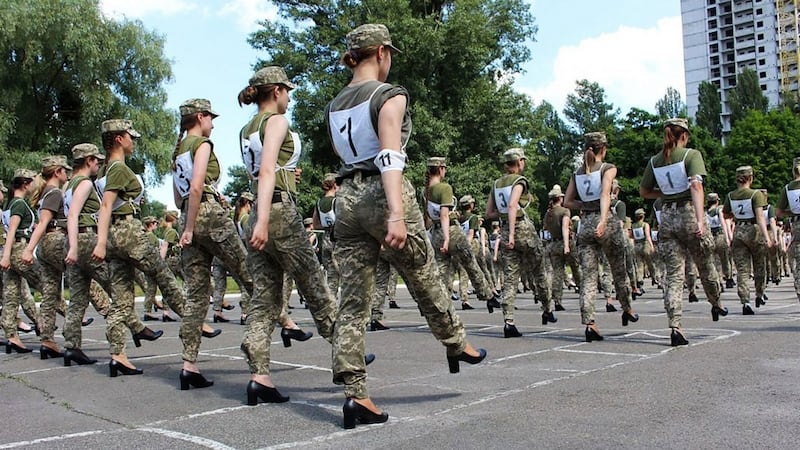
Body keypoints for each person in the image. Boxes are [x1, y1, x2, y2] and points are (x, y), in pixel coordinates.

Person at [325, 23, 486, 429]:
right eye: (390, 53)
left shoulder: (336, 103)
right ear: (380, 52)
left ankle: (356, 394)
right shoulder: (388, 95)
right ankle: (456, 342)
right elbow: (389, 156)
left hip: (346, 198)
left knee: (352, 299)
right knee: (423, 271)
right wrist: (396, 211)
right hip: (381, 193)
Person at [237, 65, 337, 406]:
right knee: (314, 283)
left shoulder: (246, 128)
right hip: (276, 211)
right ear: (276, 90)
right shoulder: (276, 122)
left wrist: (257, 220)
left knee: (264, 298)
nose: (290, 97)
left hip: (259, 213)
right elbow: (267, 170)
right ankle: (345, 352)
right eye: (287, 91)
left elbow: (266, 169)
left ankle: (259, 375)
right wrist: (264, 220)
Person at [92, 119, 202, 377]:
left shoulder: (103, 171)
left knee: (121, 300)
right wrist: (99, 242)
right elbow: (106, 206)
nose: (134, 141)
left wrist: (104, 241)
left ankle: (118, 355)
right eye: (130, 136)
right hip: (128, 232)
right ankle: (192, 319)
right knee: (163, 275)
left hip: (115, 238)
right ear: (119, 138)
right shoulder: (118, 168)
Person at [171, 98, 252, 390]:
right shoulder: (201, 145)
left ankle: (188, 364)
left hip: (187, 215)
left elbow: (179, 195)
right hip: (205, 215)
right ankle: (277, 333)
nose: (213, 124)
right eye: (210, 118)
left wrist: (186, 225)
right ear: (200, 117)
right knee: (249, 274)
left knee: (196, 294)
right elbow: (195, 186)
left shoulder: (178, 150)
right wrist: (194, 224)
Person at [639, 118, 727, 346]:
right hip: (688, 211)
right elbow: (697, 186)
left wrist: (666, 194)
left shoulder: (655, 161)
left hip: (667, 216)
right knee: (705, 263)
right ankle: (716, 302)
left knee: (674, 275)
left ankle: (675, 325)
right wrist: (700, 219)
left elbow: (644, 190)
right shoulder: (691, 155)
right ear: (684, 136)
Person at [565, 132, 638, 342]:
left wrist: (584, 207)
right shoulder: (607, 168)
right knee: (618, 268)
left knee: (588, 276)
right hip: (603, 221)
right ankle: (627, 308)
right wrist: (604, 219)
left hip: (585, 223)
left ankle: (589, 322)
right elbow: (606, 194)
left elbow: (568, 201)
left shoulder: (577, 173)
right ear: (603, 149)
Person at [486, 147, 554, 337]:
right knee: (539, 270)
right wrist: (514, 233)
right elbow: (512, 205)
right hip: (521, 229)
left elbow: (489, 213)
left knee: (510, 278)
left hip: (505, 229)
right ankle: (547, 309)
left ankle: (508, 321)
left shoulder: (497, 184)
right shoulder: (519, 181)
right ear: (519, 162)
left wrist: (507, 229)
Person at [425, 157, 495, 311]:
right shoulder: (444, 187)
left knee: (443, 272)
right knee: (470, 263)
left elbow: (430, 217)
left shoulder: (427, 191)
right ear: (441, 169)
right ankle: (487, 295)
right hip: (449, 230)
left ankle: (443, 304)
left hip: (436, 233)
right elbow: (444, 215)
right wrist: (447, 238)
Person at [21, 156, 73, 360]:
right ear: (57, 172)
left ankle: (47, 340)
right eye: (65, 170)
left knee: (50, 294)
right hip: (55, 240)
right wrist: (28, 249)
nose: (67, 173)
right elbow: (43, 223)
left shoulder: (45, 193)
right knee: (86, 279)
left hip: (46, 245)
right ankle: (126, 320)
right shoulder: (54, 193)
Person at [1, 168, 42, 353]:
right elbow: (11, 231)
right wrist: (7, 255)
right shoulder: (18, 204)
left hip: (11, 252)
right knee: (47, 285)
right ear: (25, 183)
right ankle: (50, 328)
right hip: (17, 250)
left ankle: (11, 336)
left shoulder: (9, 205)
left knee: (11, 296)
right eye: (32, 181)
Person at [723, 166, 772, 314]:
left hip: (739, 229)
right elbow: (760, 217)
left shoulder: (731, 196)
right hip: (754, 230)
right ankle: (759, 293)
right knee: (759, 265)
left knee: (742, 270)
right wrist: (767, 237)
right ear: (750, 178)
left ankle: (745, 301)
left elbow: (726, 214)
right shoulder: (756, 194)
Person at [543, 184, 577, 312]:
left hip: (553, 244)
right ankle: (583, 292)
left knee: (557, 272)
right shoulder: (564, 211)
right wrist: (567, 245)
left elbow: (546, 227)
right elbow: (564, 227)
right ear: (560, 198)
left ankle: (557, 300)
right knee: (576, 268)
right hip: (564, 242)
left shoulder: (549, 213)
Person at [313, 173, 341, 299]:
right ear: (335, 185)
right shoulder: (336, 201)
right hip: (338, 240)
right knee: (344, 274)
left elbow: (315, 224)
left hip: (325, 239)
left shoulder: (319, 203)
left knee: (330, 275)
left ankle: (329, 303)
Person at [706, 193, 734, 290]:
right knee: (725, 259)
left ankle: (718, 280)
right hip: (720, 236)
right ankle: (728, 277)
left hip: (710, 237)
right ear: (717, 201)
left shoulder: (705, 212)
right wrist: (728, 237)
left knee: (714, 261)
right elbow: (723, 223)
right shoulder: (719, 210)